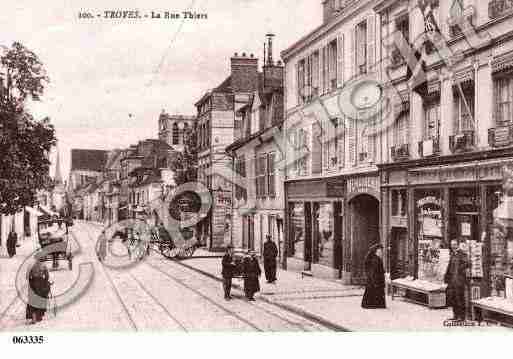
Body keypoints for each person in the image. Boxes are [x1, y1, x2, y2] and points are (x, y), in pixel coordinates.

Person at [444, 239, 470, 321]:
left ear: (458, 245)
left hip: (459, 280)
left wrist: (460, 271)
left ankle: (462, 317)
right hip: (452, 280)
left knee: (460, 298)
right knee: (453, 298)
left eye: (454, 244)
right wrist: (447, 276)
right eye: (452, 244)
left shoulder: (462, 254)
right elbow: (449, 266)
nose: (453, 246)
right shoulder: (452, 254)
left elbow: (468, 263)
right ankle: (455, 315)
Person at [361, 243, 386, 309]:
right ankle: (373, 305)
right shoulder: (375, 259)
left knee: (372, 292)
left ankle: (372, 304)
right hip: (375, 280)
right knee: (373, 292)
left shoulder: (375, 258)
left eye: (381, 251)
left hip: (373, 280)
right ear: (376, 251)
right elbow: (373, 271)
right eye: (380, 251)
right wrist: (375, 281)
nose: (381, 253)